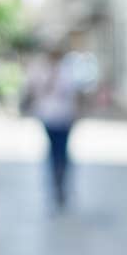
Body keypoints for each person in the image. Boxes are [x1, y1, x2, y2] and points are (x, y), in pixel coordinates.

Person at [24, 46, 83, 211]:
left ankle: (59, 181)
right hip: (52, 116)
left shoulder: (65, 70)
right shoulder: (48, 71)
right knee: (58, 151)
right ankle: (58, 182)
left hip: (61, 116)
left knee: (59, 151)